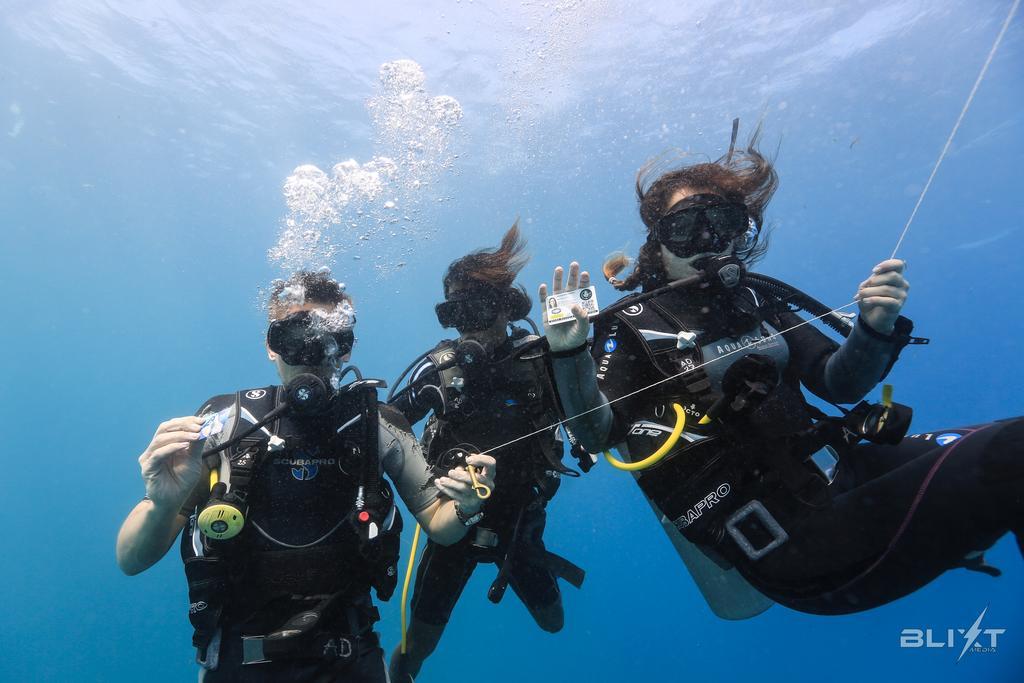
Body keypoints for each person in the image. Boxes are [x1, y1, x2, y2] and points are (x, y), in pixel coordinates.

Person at [541, 132, 1024, 617]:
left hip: (845, 473)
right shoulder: (629, 326)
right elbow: (596, 431)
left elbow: (839, 382)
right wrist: (569, 357)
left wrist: (874, 330)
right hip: (789, 543)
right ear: (658, 246)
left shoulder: (757, 299)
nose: (707, 241)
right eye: (686, 228)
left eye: (723, 222)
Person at [116, 270, 497, 682]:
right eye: (294, 341)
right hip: (239, 660)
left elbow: (440, 525)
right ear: (270, 346)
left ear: (346, 349)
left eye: (328, 343)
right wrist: (162, 503)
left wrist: (466, 506)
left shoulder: (379, 424)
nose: (311, 355)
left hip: (351, 658)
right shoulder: (227, 423)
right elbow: (131, 559)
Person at [387, 224, 585, 681]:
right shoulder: (438, 371)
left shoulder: (542, 360)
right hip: (451, 523)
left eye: (479, 308)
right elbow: (384, 430)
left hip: (519, 523)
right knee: (416, 648)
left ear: (507, 307)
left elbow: (589, 418)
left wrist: (575, 353)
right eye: (456, 313)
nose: (469, 324)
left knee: (553, 623)